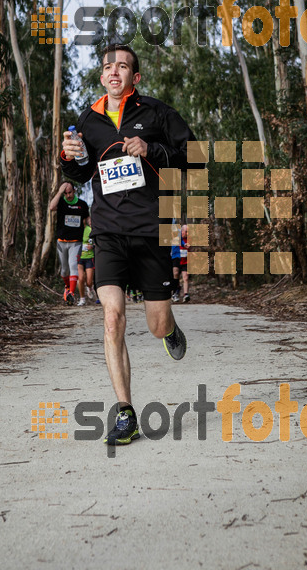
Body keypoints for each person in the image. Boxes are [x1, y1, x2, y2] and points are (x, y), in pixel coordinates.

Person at [61, 43, 198, 446]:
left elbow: (196, 156)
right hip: (107, 231)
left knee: (156, 324)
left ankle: (170, 328)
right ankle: (125, 413)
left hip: (152, 230)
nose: (115, 72)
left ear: (135, 77)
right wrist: (69, 158)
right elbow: (83, 171)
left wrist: (152, 149)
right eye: (109, 67)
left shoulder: (157, 113)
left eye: (123, 66)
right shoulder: (89, 120)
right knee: (112, 317)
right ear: (103, 77)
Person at [49, 181, 89, 305]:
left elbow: (87, 219)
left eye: (70, 192)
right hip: (62, 242)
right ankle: (67, 287)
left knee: (73, 266)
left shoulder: (82, 204)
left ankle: (71, 293)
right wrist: (59, 192)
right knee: (65, 270)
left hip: (76, 242)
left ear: (74, 191)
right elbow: (51, 207)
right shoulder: (61, 202)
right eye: (65, 193)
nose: (68, 195)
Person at [77, 216, 97, 306]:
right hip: (79, 257)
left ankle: (90, 287)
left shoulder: (89, 230)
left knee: (89, 281)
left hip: (89, 257)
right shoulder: (75, 230)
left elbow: (96, 242)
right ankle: (82, 299)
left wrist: (92, 246)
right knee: (80, 279)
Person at [180, 224, 191, 303]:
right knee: (175, 277)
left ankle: (186, 294)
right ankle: (175, 293)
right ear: (182, 231)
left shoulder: (189, 239)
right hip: (176, 261)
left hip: (186, 261)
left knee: (186, 277)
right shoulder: (176, 239)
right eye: (186, 232)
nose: (187, 233)